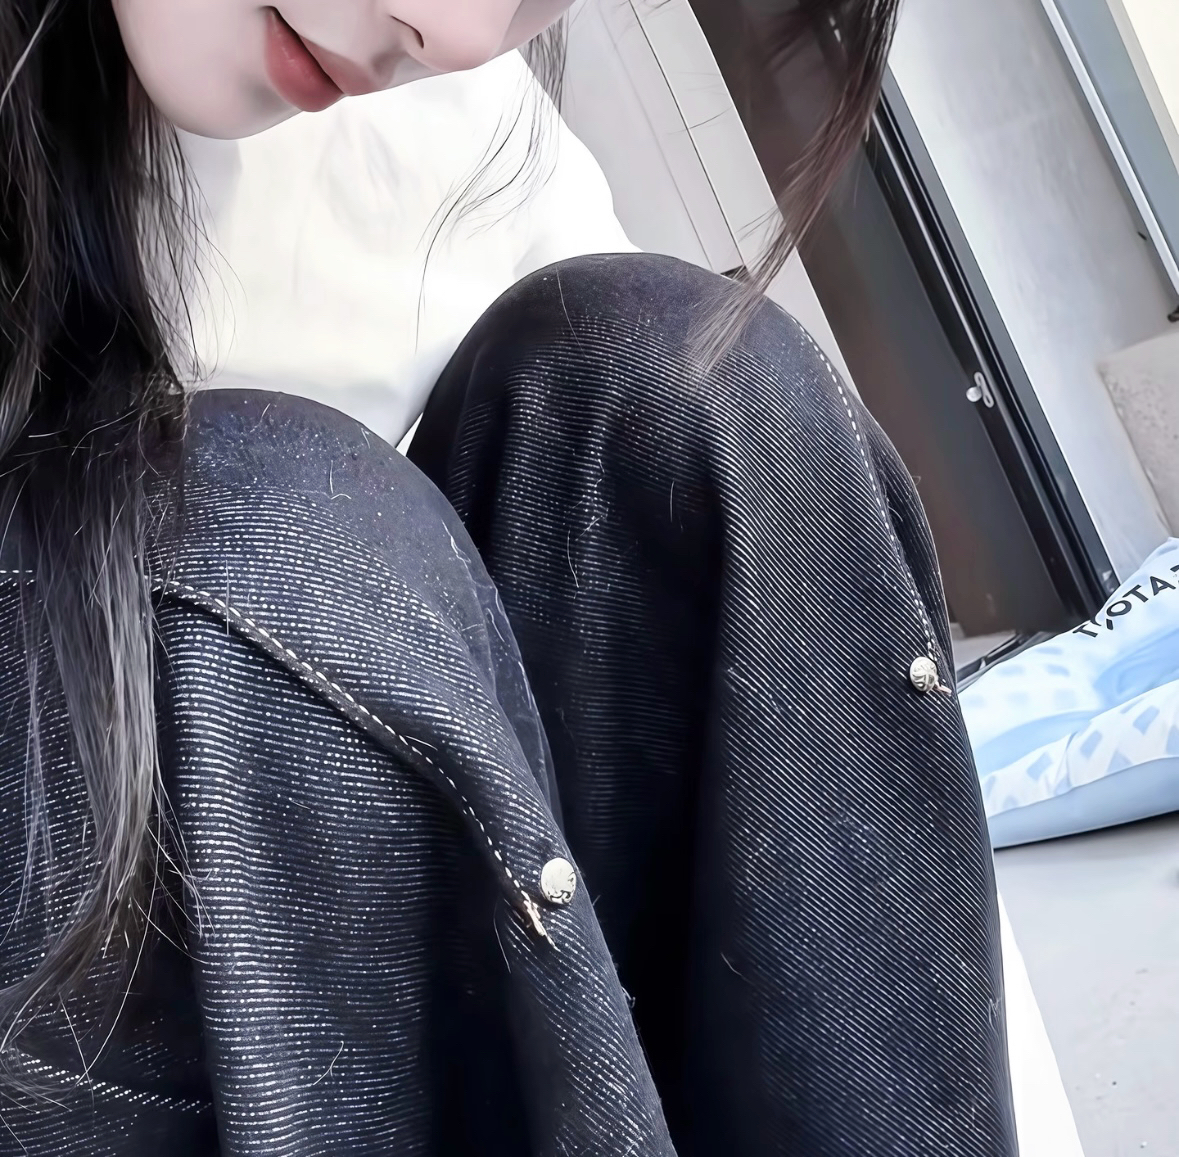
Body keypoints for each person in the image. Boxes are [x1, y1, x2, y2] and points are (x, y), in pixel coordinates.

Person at [0, 1, 1018, 1154]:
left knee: (697, 393)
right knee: (261, 540)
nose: (457, 30)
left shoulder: (457, 125)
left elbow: (786, 667)